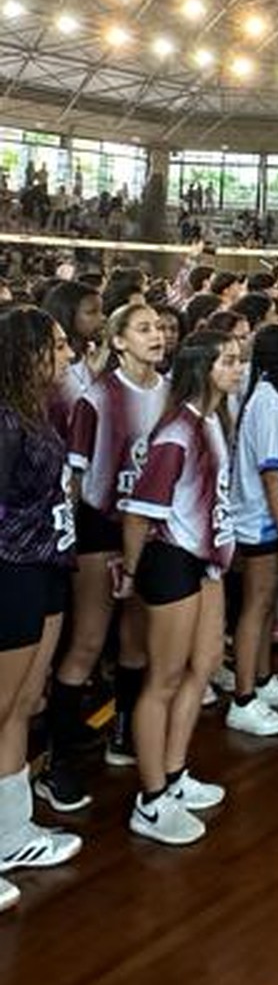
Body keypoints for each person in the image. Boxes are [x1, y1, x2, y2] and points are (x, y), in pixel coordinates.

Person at [38, 302, 168, 810]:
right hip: (100, 527)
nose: (155, 335)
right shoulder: (97, 399)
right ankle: (60, 760)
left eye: (158, 327)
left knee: (136, 643)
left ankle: (123, 733)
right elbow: (75, 479)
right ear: (118, 341)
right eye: (143, 328)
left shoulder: (169, 392)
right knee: (88, 643)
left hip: (150, 529)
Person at [117, 329, 243, 846]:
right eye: (230, 361)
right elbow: (138, 514)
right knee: (163, 680)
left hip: (206, 561)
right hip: (171, 561)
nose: (239, 368)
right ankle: (149, 800)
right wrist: (130, 573)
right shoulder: (176, 432)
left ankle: (173, 775)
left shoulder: (212, 420)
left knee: (206, 662)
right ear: (204, 368)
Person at [0, 308, 82, 911]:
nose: (67, 355)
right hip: (12, 572)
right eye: (55, 345)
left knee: (23, 706)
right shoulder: (4, 422)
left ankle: (11, 833)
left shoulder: (34, 411)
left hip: (44, 566)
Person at [225, 322, 278, 737]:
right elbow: (271, 475)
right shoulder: (271, 404)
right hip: (260, 522)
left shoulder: (272, 397)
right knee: (256, 607)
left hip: (267, 519)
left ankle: (260, 679)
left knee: (267, 602)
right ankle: (242, 698)